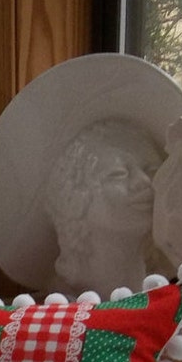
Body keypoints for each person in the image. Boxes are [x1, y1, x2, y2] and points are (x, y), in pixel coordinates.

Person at [43, 118, 167, 298]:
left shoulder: (166, 297)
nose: (144, 182)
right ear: (75, 197)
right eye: (118, 174)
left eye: (151, 170)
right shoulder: (62, 309)